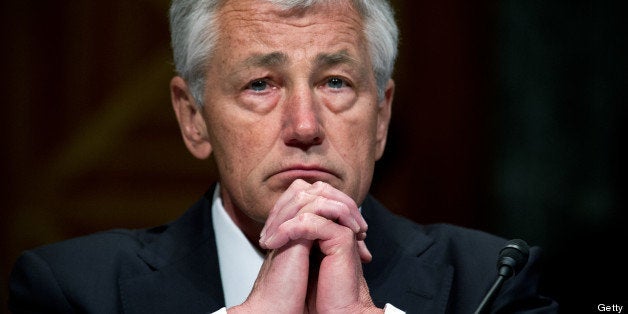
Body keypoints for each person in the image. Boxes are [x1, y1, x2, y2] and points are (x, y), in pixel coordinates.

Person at [8, 0, 559, 313]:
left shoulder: (491, 282)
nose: (304, 126)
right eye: (260, 84)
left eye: (336, 82)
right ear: (192, 118)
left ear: (382, 119)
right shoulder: (73, 292)